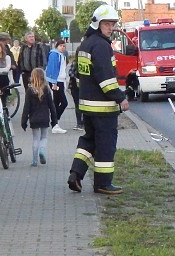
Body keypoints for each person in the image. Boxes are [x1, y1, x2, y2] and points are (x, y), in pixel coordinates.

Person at [67, 4, 130, 195]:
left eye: (112, 24)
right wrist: (121, 98)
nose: (110, 28)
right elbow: (106, 79)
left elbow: (78, 75)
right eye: (107, 24)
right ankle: (103, 183)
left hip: (87, 105)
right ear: (97, 24)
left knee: (89, 141)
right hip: (103, 108)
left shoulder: (85, 44)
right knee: (105, 146)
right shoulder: (102, 46)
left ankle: (75, 175)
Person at [20, 68, 57, 166]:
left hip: (34, 119)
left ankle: (35, 161)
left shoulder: (29, 90)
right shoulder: (47, 90)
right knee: (44, 137)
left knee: (35, 139)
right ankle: (42, 150)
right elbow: (52, 106)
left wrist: (23, 121)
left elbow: (26, 107)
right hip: (45, 118)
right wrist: (54, 120)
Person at [45, 39, 68, 134]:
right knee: (64, 102)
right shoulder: (54, 55)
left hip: (60, 80)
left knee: (56, 102)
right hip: (57, 81)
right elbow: (53, 68)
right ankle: (54, 122)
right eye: (61, 46)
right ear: (57, 46)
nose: (63, 47)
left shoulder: (61, 55)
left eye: (64, 46)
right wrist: (54, 82)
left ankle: (54, 123)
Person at [0, 42, 11, 109]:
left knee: (4, 98)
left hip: (3, 79)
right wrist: (1, 70)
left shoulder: (7, 57)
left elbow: (7, 69)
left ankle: (6, 114)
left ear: (2, 48)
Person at [67, 56, 83, 130]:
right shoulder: (75, 63)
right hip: (75, 87)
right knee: (77, 105)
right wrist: (77, 78)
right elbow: (70, 72)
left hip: (81, 87)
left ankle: (82, 123)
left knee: (80, 105)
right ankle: (79, 123)